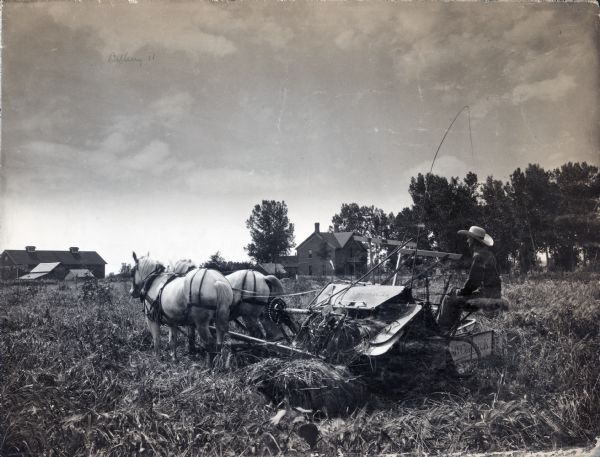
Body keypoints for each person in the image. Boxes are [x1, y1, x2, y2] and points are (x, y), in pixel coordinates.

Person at [437, 225, 502, 333]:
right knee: (454, 293)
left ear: (474, 241)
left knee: (449, 299)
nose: (467, 241)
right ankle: (451, 329)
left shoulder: (479, 256)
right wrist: (460, 291)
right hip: (494, 295)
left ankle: (442, 331)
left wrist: (461, 291)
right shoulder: (489, 254)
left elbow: (473, 282)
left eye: (469, 238)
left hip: (486, 298)